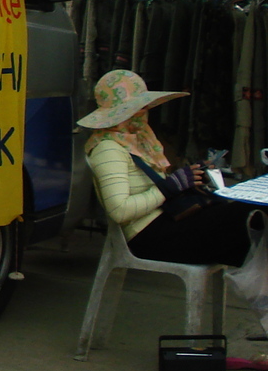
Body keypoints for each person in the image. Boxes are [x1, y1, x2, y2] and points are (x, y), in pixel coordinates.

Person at [81, 69, 255, 267]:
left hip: (168, 221)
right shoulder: (108, 149)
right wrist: (169, 187)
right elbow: (119, 211)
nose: (144, 112)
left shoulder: (138, 141)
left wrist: (190, 178)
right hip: (148, 237)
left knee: (248, 211)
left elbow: (158, 188)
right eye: (138, 108)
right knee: (246, 215)